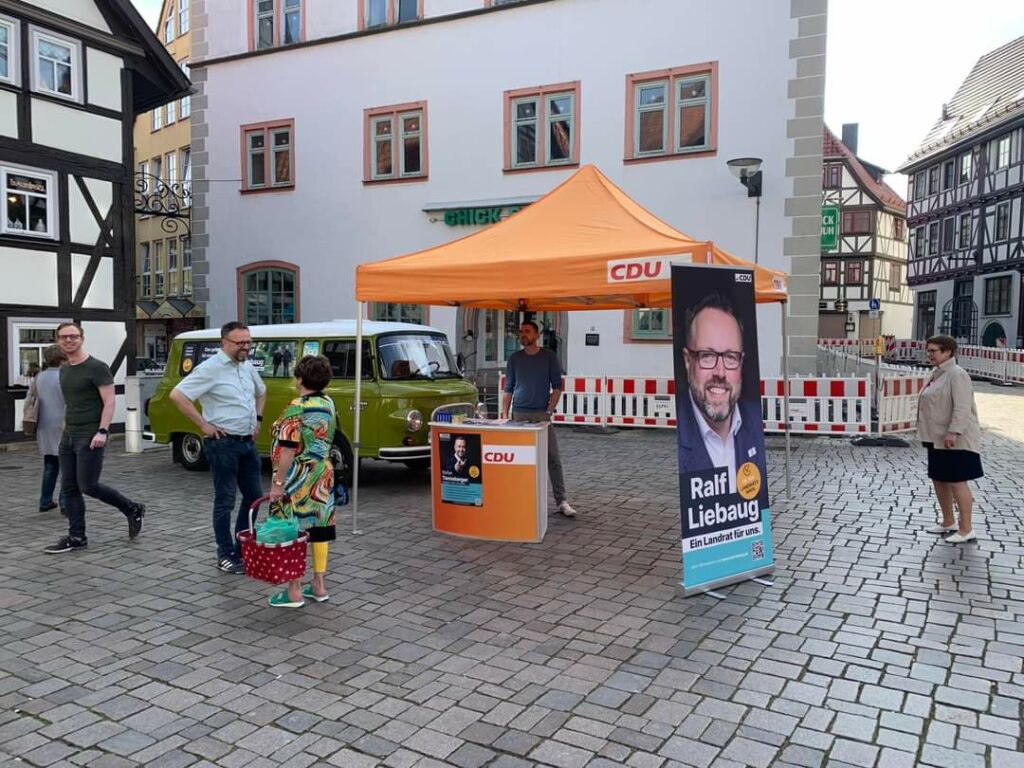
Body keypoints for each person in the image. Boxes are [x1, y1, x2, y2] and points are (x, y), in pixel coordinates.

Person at [170, 321, 266, 574]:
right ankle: (225, 553)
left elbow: (262, 392)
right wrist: (203, 424)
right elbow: (178, 396)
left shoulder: (245, 366)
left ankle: (242, 545)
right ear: (224, 343)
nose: (246, 347)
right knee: (225, 500)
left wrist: (258, 419)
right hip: (222, 443)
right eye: (240, 343)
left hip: (246, 442)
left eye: (248, 342)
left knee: (255, 497)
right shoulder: (210, 368)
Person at [43, 322, 145, 554]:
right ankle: (77, 536)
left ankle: (132, 508)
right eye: (64, 337)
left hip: (90, 436)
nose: (69, 340)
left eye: (73, 336)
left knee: (88, 485)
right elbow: (72, 403)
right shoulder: (65, 368)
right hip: (68, 436)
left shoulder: (97, 367)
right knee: (69, 487)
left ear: (82, 338)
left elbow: (109, 401)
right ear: (58, 340)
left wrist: (102, 430)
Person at [675, 293, 768, 509]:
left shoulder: (754, 422)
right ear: (688, 361)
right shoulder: (678, 430)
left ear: (741, 362)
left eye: (730, 357)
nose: (721, 372)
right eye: (707, 355)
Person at [266, 355, 337, 608]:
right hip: (323, 473)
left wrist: (278, 482)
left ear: (299, 379)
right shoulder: (328, 402)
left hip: (298, 476)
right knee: (319, 529)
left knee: (292, 529)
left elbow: (287, 448)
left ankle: (294, 590)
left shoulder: (296, 407)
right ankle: (318, 585)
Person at [500, 320, 577, 517]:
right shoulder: (515, 358)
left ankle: (562, 501)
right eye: (521, 332)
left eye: (527, 331)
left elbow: (557, 387)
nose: (522, 335)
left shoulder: (549, 357)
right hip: (519, 413)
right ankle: (519, 497)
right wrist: (504, 415)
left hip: (541, 414)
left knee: (553, 458)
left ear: (536, 335)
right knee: (519, 458)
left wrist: (549, 411)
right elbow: (508, 388)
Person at [917, 334, 983, 544]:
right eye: (928, 351)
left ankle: (966, 529)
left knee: (957, 481)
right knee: (939, 478)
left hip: (955, 439)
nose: (930, 355)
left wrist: (954, 431)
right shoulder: (937, 374)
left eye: (934, 351)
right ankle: (948, 521)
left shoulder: (957, 374)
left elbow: (962, 406)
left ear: (948, 352)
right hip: (936, 437)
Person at [35, 345, 68, 513]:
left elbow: (31, 399)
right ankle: (65, 503)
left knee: (50, 464)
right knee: (67, 466)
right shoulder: (64, 376)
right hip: (63, 423)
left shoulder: (39, 377)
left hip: (44, 424)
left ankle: (45, 501)